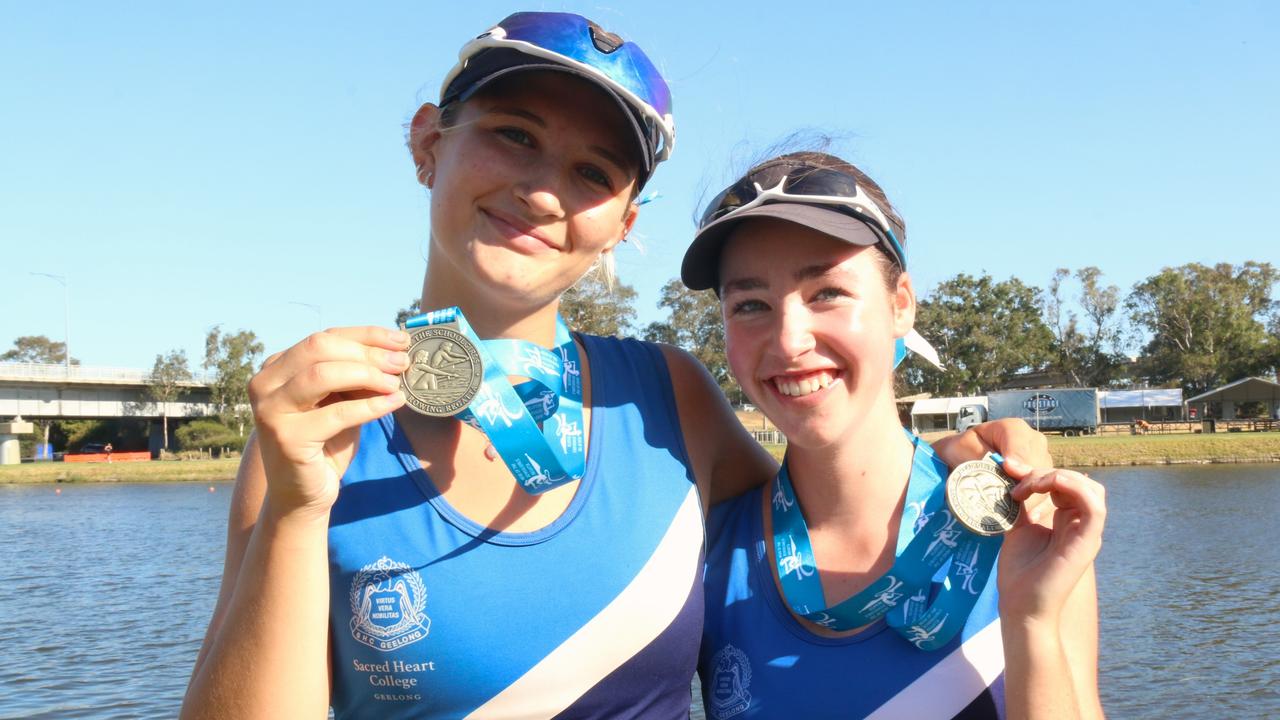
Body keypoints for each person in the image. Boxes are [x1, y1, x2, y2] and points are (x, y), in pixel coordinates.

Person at [181, 13, 1050, 719]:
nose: (546, 191)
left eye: (592, 171)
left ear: (625, 226)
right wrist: (296, 509)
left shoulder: (668, 399)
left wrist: (968, 471)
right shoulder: (320, 429)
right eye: (514, 135)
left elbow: (823, 507)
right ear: (426, 144)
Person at [684, 151, 1106, 719]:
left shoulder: (1025, 522)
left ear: (900, 304)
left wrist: (1031, 619)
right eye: (750, 304)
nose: (788, 341)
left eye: (826, 292)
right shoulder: (700, 552)